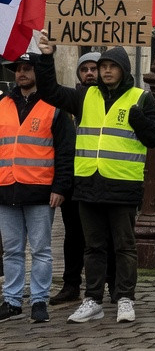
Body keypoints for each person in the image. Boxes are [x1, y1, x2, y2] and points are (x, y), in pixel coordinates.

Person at [34, 33, 155, 324]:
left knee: (124, 246)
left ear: (123, 69)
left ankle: (125, 297)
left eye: (111, 66)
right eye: (102, 66)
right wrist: (45, 57)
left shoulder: (141, 98)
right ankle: (92, 300)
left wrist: (139, 121)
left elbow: (154, 138)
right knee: (93, 247)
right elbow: (50, 91)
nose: (105, 70)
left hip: (123, 185)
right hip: (89, 185)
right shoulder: (84, 95)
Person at [0, 53, 75, 323]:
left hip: (41, 190)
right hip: (6, 189)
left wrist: (61, 187)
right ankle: (12, 300)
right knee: (11, 249)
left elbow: (66, 152)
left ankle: (39, 300)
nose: (21, 73)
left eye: (27, 68)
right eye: (18, 69)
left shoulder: (53, 107)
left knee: (41, 250)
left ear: (38, 72)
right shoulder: (2, 105)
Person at [53, 52, 104, 305]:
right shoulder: (69, 103)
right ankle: (71, 284)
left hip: (103, 179)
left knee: (105, 236)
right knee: (73, 236)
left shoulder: (109, 100)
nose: (89, 73)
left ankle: (110, 283)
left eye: (94, 68)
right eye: (84, 69)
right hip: (74, 180)